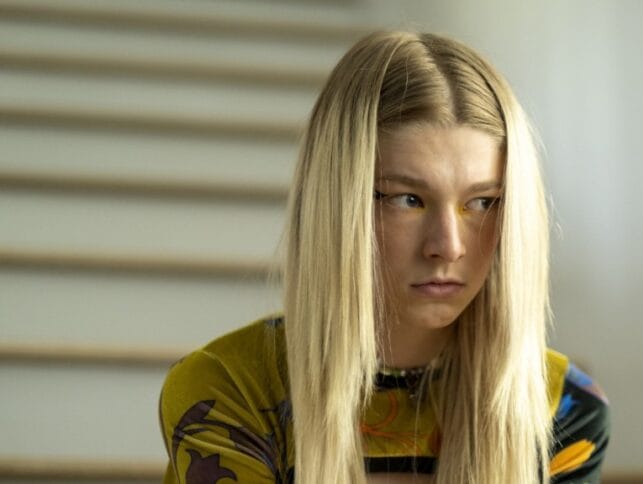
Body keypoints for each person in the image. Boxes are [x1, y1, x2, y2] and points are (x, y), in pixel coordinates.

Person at [159, 30, 609, 484]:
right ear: (338, 205)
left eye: (482, 202)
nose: (448, 245)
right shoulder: (224, 391)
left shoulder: (562, 409)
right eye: (407, 199)